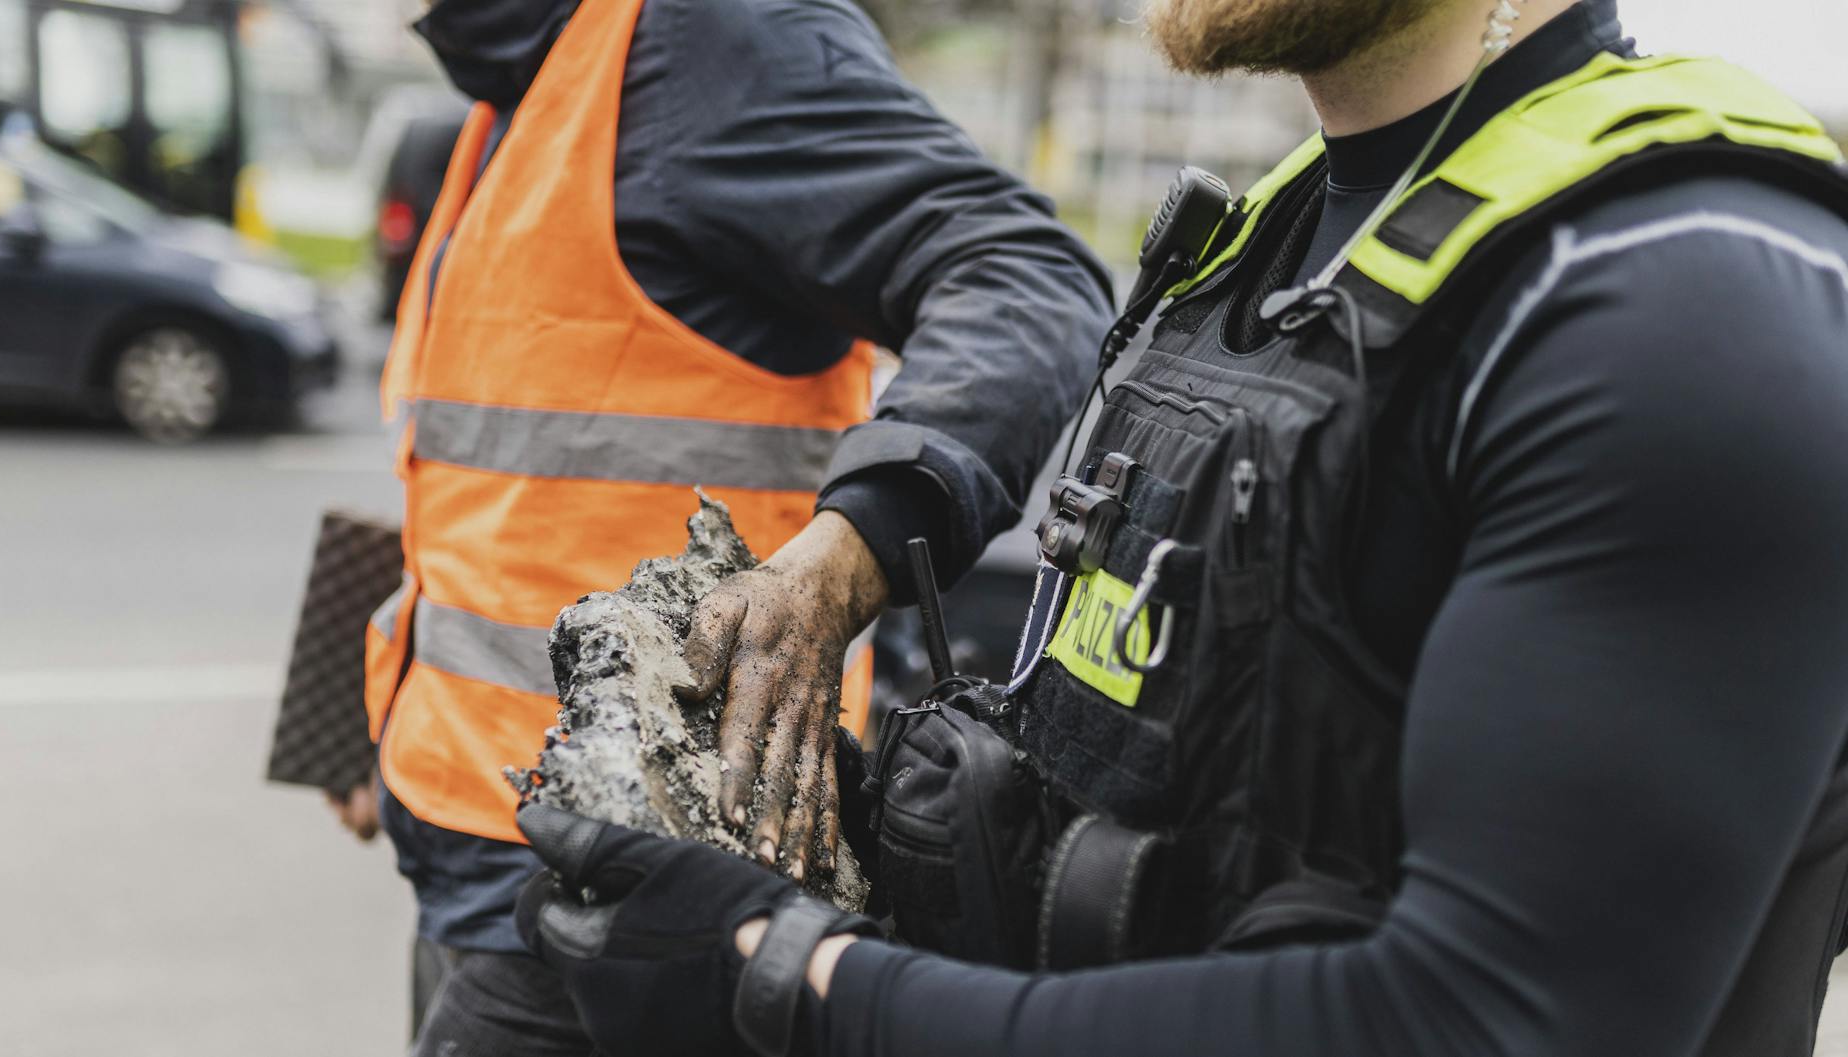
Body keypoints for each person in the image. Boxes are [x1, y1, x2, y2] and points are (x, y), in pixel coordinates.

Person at [515, 0, 1848, 1055]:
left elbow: (1487, 1020)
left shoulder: (1676, 296)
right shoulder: (1272, 241)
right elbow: (1181, 822)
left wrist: (791, 979)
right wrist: (831, 833)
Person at [360, 0, 1112, 1051]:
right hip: (467, 838)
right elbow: (490, 473)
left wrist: (846, 558)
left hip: (641, 881)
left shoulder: (709, 38)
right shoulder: (518, 84)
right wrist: (380, 718)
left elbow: (1026, 282)